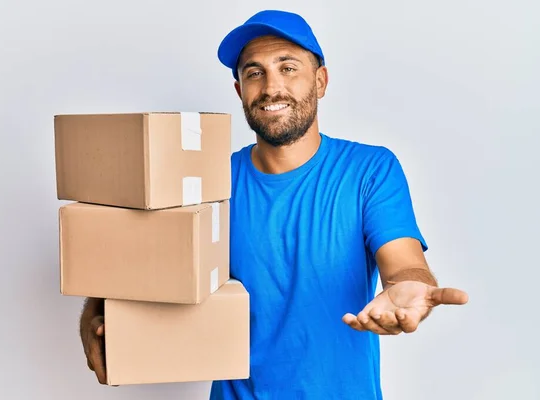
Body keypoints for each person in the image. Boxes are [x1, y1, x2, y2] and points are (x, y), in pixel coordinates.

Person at [79, 9, 469, 399]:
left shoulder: (370, 170)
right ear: (239, 91)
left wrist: (410, 289)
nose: (270, 88)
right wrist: (95, 312)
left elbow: (404, 262)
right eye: (254, 73)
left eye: (288, 68)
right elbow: (137, 257)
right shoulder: (209, 180)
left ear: (320, 81)